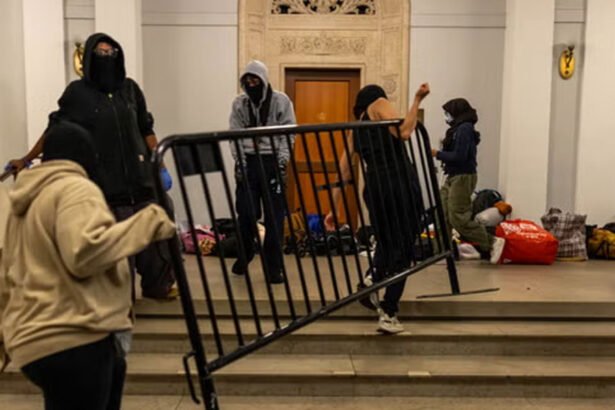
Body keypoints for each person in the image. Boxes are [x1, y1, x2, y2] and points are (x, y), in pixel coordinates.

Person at [0, 121, 176, 410]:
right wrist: (147, 223)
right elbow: (84, 252)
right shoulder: (75, 189)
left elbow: (7, 274)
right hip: (75, 336)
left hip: (34, 343)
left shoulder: (24, 203)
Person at [5, 33, 176, 299]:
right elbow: (56, 129)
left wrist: (159, 162)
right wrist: (26, 159)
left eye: (111, 53)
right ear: (88, 59)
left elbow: (145, 128)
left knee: (156, 234)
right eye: (100, 53)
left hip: (140, 179)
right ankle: (119, 300)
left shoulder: (130, 89)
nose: (106, 58)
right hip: (106, 185)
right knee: (118, 248)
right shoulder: (77, 93)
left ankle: (158, 286)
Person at [325, 83, 430, 334]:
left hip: (374, 188)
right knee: (403, 248)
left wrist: (333, 208)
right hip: (399, 184)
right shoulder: (378, 103)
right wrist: (417, 100)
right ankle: (389, 311)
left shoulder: (356, 128)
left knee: (384, 240)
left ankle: (372, 279)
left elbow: (344, 169)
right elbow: (404, 132)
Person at [229, 60, 296, 284]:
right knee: (246, 214)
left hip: (272, 162)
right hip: (248, 162)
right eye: (247, 80)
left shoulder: (281, 101)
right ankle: (245, 252)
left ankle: (273, 268)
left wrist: (282, 162)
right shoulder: (239, 104)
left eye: (255, 79)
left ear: (264, 80)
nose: (251, 83)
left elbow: (289, 132)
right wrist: (240, 163)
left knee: (275, 219)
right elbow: (234, 134)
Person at [431, 98, 505, 264]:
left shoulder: (465, 129)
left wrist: (437, 153)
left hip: (463, 177)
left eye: (448, 113)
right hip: (452, 176)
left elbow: (459, 156)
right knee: (441, 214)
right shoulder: (456, 129)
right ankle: (441, 251)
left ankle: (492, 242)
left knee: (458, 217)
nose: (446, 116)